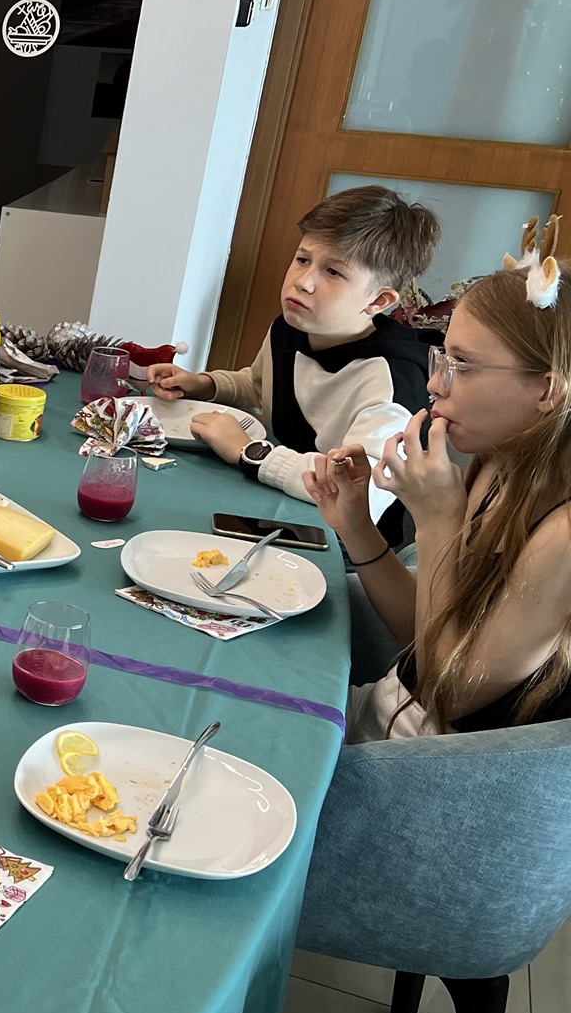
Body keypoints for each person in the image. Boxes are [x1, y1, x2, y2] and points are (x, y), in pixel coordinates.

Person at [306, 222, 571, 742]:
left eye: (463, 366)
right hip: (384, 710)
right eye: (443, 357)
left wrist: (437, 521)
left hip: (424, 768)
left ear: (547, 391)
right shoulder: (497, 463)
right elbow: (426, 629)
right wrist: (358, 528)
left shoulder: (562, 535)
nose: (434, 382)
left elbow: (447, 691)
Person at [146, 185, 440, 546]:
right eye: (303, 259)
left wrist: (251, 453)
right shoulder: (290, 327)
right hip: (275, 504)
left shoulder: (394, 379)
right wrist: (205, 385)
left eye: (333, 272)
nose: (303, 282)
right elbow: (259, 385)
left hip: (345, 548)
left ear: (378, 300)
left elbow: (362, 492)